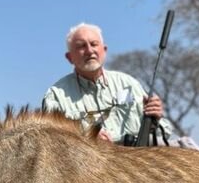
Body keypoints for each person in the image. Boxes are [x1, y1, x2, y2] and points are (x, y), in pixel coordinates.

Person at [42, 22, 179, 146]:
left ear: (104, 50)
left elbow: (164, 134)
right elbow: (52, 145)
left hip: (135, 162)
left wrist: (155, 119)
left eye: (94, 44)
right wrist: (85, 138)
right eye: (81, 46)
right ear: (69, 57)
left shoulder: (128, 84)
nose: (90, 51)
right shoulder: (56, 96)